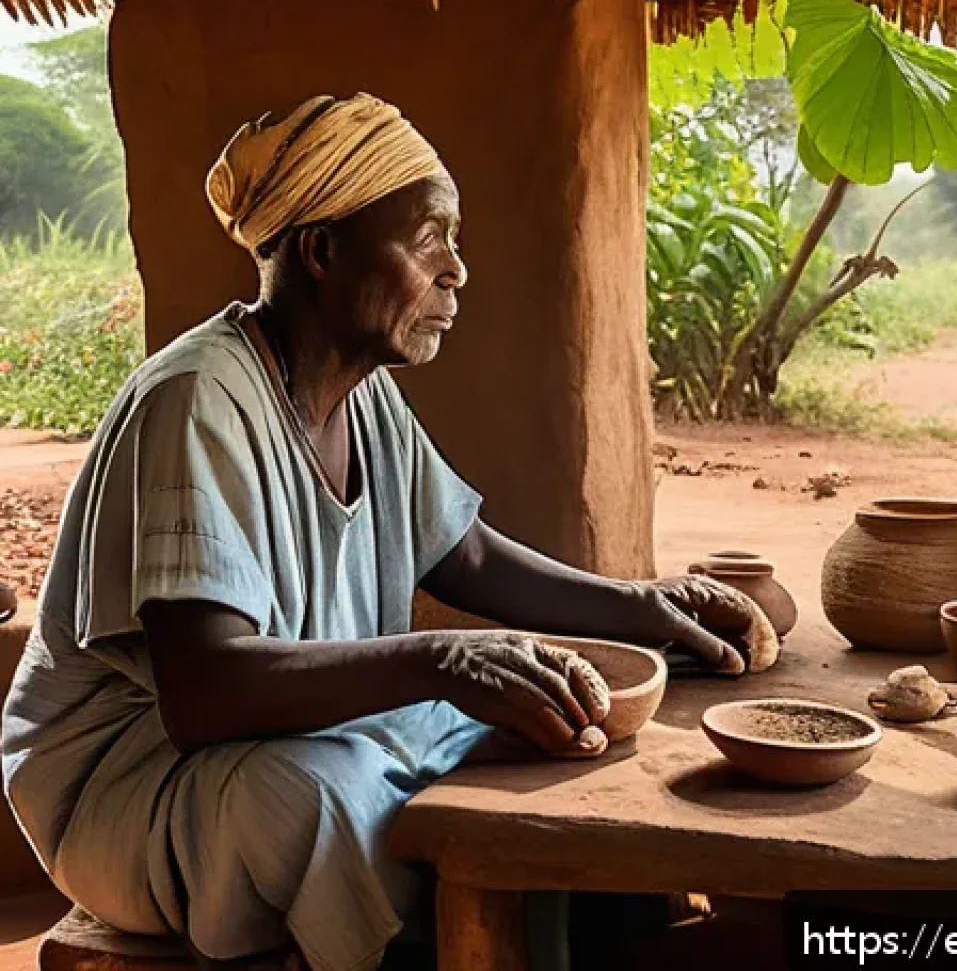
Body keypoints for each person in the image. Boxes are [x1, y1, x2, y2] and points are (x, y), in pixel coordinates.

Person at [2, 93, 760, 971]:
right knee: (319, 797)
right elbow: (203, 691)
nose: (457, 272)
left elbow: (463, 552)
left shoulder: (363, 398)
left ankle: (564, 934)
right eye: (430, 238)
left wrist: (643, 607)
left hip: (265, 738)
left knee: (526, 726)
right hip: (131, 786)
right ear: (323, 250)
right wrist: (440, 661)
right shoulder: (198, 399)